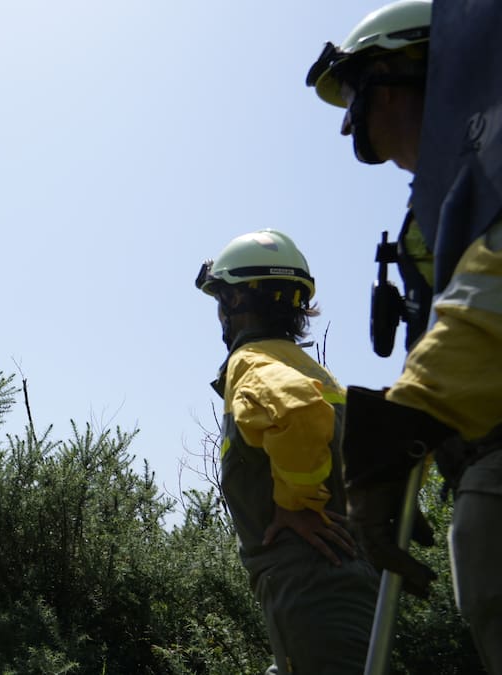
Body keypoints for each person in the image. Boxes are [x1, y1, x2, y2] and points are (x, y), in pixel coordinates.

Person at [308, 2, 502, 671]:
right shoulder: (441, 204)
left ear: (399, 76)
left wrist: (405, 424)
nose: (346, 123)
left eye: (355, 93)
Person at [196, 229, 379, 674]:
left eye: (221, 298)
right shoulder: (311, 368)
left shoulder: (253, 360)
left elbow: (299, 411)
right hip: (342, 576)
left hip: (310, 579)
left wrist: (295, 504)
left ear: (236, 302)